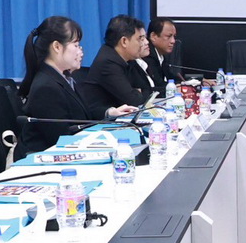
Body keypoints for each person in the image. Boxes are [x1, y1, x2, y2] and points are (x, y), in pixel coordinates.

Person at [20, 16, 138, 151]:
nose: (80, 51)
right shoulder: (46, 87)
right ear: (57, 47)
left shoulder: (64, 78)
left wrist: (110, 113)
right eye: (76, 45)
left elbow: (80, 116)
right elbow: (61, 137)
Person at [78, 15, 151, 118]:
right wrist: (137, 91)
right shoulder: (107, 62)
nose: (146, 42)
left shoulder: (127, 58)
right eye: (140, 39)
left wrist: (139, 91)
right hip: (101, 121)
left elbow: (146, 88)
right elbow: (134, 100)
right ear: (124, 41)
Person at [142, 17, 181, 97]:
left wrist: (191, 83)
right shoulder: (147, 56)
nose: (173, 41)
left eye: (174, 36)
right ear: (153, 36)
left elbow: (171, 78)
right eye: (168, 36)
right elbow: (158, 84)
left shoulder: (161, 56)